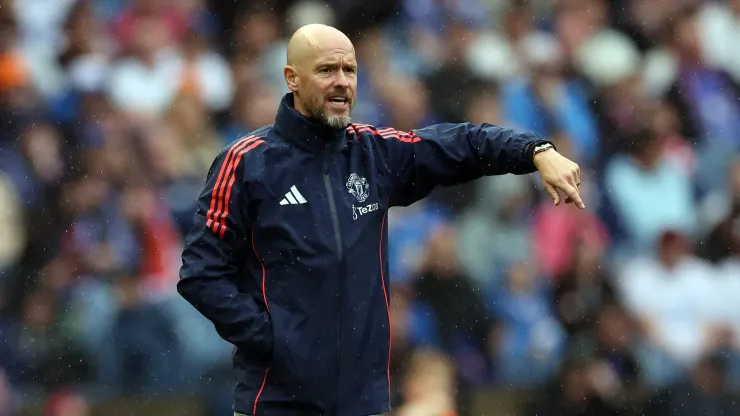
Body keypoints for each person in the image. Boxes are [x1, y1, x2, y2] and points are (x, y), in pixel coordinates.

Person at [177, 24, 584, 416]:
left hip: (363, 401)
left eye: (349, 70)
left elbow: (462, 143)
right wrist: (273, 340)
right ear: (292, 78)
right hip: (277, 402)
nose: (342, 81)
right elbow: (200, 272)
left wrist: (535, 150)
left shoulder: (375, 154)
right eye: (326, 70)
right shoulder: (247, 162)